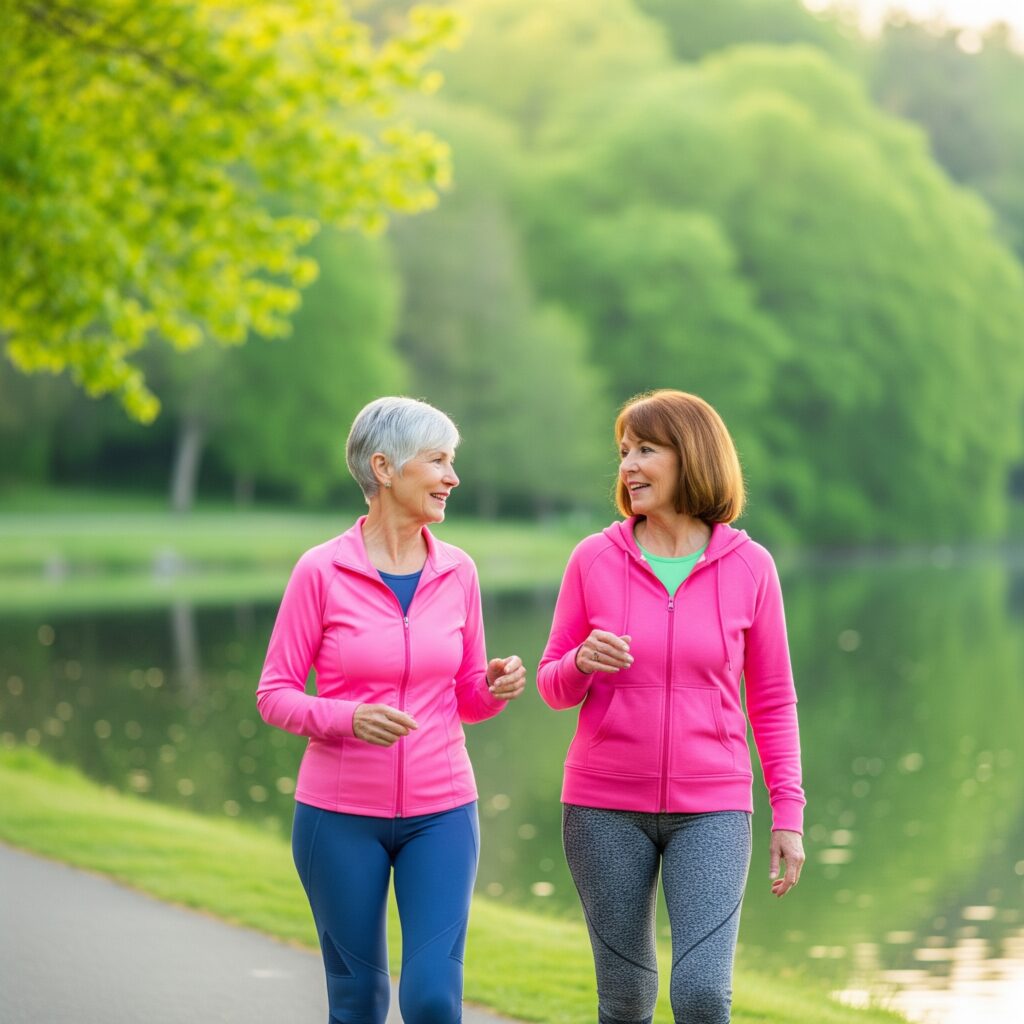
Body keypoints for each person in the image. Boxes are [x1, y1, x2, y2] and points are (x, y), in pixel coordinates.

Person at [538, 389, 805, 1024]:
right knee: (625, 1000)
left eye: (646, 450)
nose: (628, 465)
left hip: (712, 808)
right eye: (624, 451)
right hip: (603, 809)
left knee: (704, 995)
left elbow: (771, 700)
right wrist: (580, 662)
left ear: (693, 458)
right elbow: (552, 685)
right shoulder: (592, 559)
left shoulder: (752, 567)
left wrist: (788, 813)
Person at [257, 396, 525, 1024]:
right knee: (358, 1001)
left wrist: (493, 686)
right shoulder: (321, 571)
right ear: (384, 468)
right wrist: (347, 717)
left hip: (443, 812)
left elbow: (466, 698)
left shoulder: (459, 571)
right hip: (339, 817)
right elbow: (275, 694)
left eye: (451, 462)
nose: (452, 478)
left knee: (433, 998)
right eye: (438, 462)